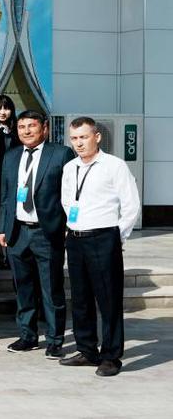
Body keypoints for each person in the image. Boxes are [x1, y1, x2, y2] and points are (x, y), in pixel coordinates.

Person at [58, 117, 141, 377]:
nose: (79, 143)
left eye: (83, 137)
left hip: (104, 237)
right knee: (80, 298)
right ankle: (87, 350)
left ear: (97, 137)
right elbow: (67, 200)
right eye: (74, 138)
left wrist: (117, 237)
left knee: (108, 299)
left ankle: (111, 356)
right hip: (75, 237)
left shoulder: (114, 166)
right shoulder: (70, 167)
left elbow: (131, 204)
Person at [0, 110, 75, 357]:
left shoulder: (61, 154)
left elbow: (70, 193)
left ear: (45, 128)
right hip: (17, 232)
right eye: (21, 127)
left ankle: (54, 340)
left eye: (32, 126)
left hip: (47, 232)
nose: (26, 131)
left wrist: (68, 226)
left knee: (51, 289)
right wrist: (2, 228)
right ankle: (28, 336)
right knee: (23, 288)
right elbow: (6, 196)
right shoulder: (11, 156)